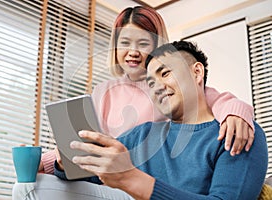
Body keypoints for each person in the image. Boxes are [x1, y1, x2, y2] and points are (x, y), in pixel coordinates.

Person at [39, 6, 255, 175]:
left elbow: (220, 101)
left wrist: (235, 113)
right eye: (125, 43)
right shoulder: (103, 92)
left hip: (149, 179)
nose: (132, 52)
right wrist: (45, 161)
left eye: (143, 43)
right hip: (108, 178)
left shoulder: (170, 87)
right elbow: (83, 140)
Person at [51, 40, 268, 199]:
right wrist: (65, 162)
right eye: (151, 84)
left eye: (165, 74)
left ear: (197, 72)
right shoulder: (141, 135)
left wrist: (132, 179)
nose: (157, 88)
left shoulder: (236, 132)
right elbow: (90, 177)